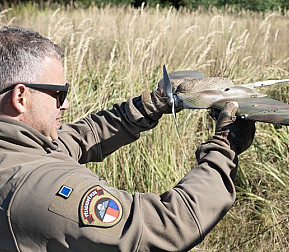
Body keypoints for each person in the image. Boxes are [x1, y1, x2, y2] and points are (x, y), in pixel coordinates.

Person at [0, 26, 255, 251]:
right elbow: (168, 227)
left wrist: (151, 105)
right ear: (20, 98)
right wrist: (225, 147)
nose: (65, 106)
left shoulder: (19, 149)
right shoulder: (40, 192)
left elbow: (80, 137)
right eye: (59, 94)